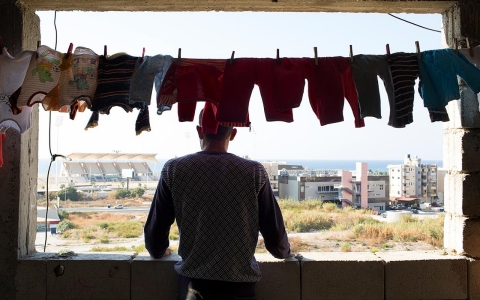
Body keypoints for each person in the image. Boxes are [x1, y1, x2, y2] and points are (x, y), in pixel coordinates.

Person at [144, 107, 291, 300]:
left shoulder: (174, 169)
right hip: (240, 289)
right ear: (234, 134)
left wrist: (160, 250)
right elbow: (276, 239)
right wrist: (285, 252)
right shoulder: (254, 172)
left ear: (199, 131)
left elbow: (154, 238)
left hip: (192, 287)